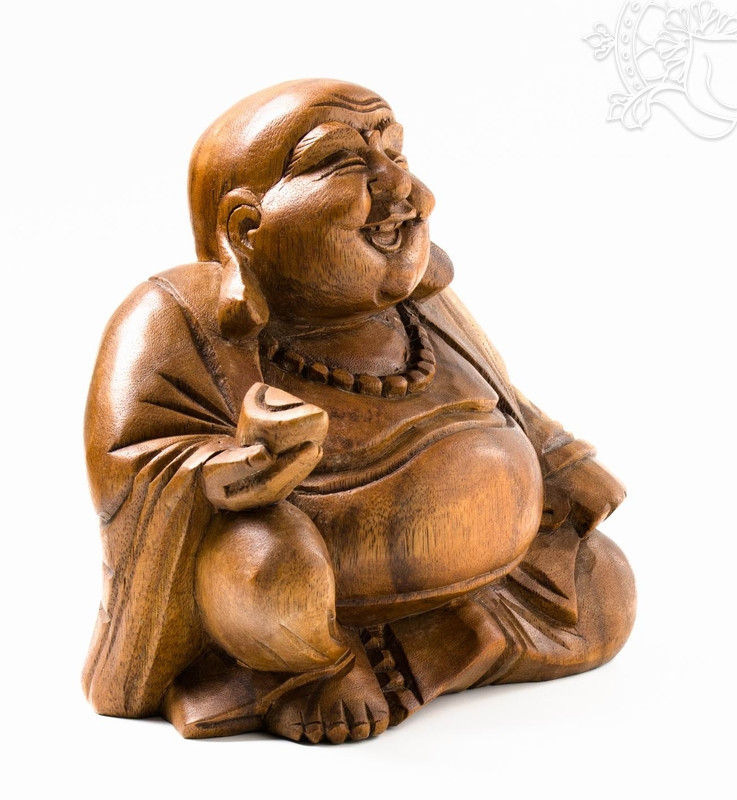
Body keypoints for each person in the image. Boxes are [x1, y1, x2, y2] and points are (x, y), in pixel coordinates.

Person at [83, 79, 636, 742]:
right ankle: (317, 663)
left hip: (489, 575)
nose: (406, 190)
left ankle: (431, 647)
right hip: (310, 595)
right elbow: (131, 462)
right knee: (260, 565)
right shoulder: (178, 317)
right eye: (346, 162)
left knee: (604, 583)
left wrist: (559, 460)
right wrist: (244, 468)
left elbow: (503, 395)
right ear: (246, 227)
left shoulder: (422, 305)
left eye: (395, 155)